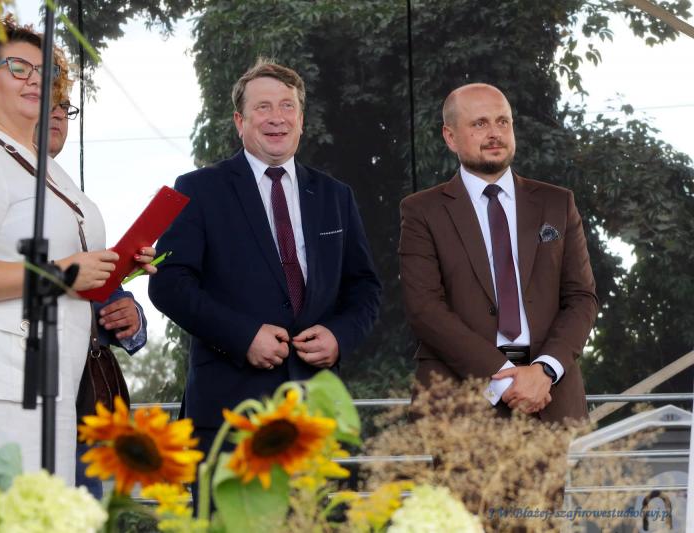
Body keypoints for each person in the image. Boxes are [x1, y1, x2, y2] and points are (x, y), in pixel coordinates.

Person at [0, 16, 155, 484]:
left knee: (43, 509)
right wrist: (61, 273)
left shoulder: (46, 169)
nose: (36, 79)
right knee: (6, 508)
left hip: (50, 376)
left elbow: (65, 267)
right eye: (19, 67)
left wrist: (116, 268)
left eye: (46, 71)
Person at [148, 59, 381, 454]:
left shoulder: (335, 196)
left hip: (315, 413)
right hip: (228, 415)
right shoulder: (198, 189)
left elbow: (365, 289)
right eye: (263, 107)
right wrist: (243, 337)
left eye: (288, 106)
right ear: (240, 122)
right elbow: (168, 284)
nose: (277, 117)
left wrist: (339, 336)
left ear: (301, 121)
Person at [398, 83, 598, 423]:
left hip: (549, 396)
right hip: (458, 403)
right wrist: (503, 376)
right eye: (480, 123)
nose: (495, 133)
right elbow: (424, 309)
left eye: (502, 121)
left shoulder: (557, 203)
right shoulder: (421, 211)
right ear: (450, 137)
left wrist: (545, 370)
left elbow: (582, 298)